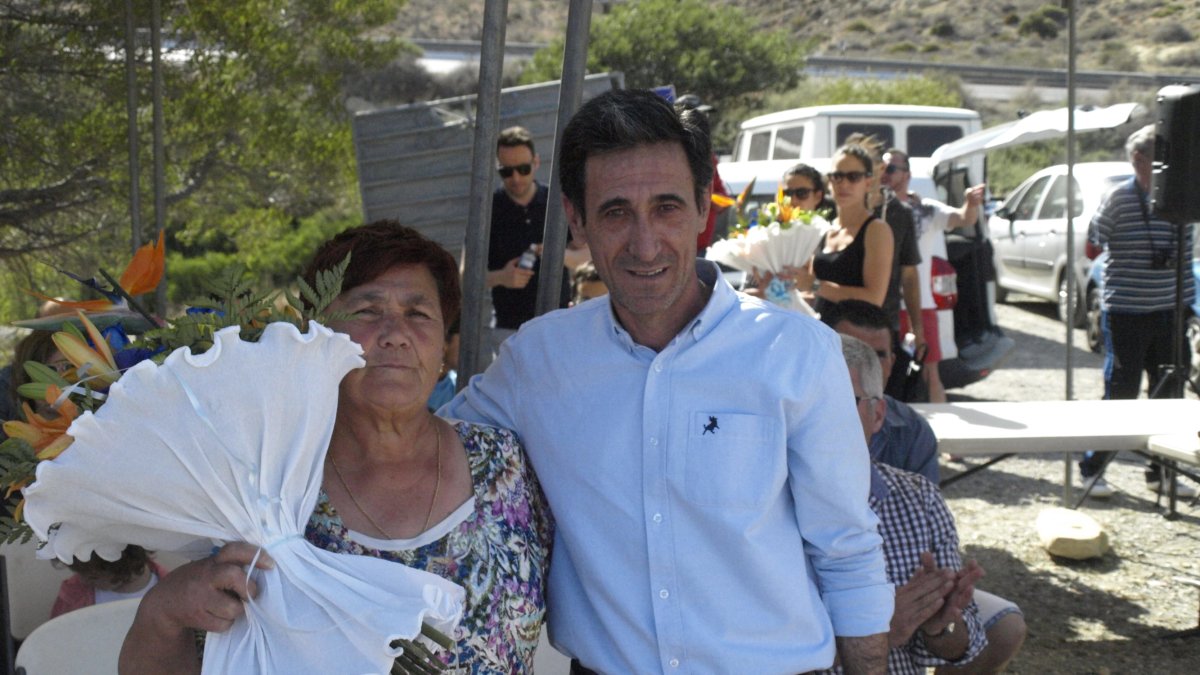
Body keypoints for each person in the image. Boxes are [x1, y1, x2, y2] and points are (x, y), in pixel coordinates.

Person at [444, 89, 891, 674]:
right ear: (576, 219)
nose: (646, 242)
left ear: (704, 209)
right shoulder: (539, 361)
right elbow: (418, 445)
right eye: (615, 212)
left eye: (666, 207)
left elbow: (846, 549)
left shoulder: (796, 353)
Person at [120, 222, 553, 673]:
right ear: (317, 332)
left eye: (418, 314)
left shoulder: (506, 463)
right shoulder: (265, 490)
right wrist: (163, 612)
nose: (395, 333)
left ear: (444, 343)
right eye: (367, 310)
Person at [837, 334, 1026, 675]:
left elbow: (960, 648)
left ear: (877, 414)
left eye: (841, 401)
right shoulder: (761, 508)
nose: (821, 417)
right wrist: (873, 634)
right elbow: (754, 652)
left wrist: (940, 625)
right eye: (809, 401)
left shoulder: (917, 498)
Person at [1079, 124, 1198, 499]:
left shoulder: (1179, 200)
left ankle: (1161, 472)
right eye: (1152, 160)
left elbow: (1188, 253)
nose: (1160, 168)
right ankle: (1092, 468)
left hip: (1169, 310)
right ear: (1136, 160)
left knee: (1170, 390)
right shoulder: (1118, 197)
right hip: (1127, 310)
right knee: (1122, 390)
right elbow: (1093, 241)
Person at [881, 148, 986, 403]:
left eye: (891, 169)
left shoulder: (924, 209)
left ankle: (943, 436)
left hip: (921, 305)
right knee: (883, 373)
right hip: (883, 303)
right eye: (881, 168)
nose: (884, 174)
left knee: (930, 372)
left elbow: (962, 218)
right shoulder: (875, 208)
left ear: (907, 174)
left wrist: (970, 204)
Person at [486, 126, 590, 357]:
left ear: (536, 162)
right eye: (506, 171)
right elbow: (467, 277)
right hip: (510, 329)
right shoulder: (488, 210)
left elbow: (590, 255)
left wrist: (560, 255)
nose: (516, 178)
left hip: (561, 322)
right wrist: (502, 277)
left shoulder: (557, 201)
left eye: (523, 169)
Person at [827, 300, 939, 484]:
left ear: (892, 363)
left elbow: (922, 505)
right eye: (852, 353)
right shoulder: (791, 422)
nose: (867, 365)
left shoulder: (912, 430)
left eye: (878, 355)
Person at [795, 142, 895, 319]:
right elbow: (813, 295)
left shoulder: (876, 230)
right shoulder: (824, 230)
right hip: (822, 335)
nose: (844, 184)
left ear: (868, 182)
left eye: (853, 177)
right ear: (829, 182)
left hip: (858, 339)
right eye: (837, 176)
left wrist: (815, 285)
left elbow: (874, 299)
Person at [52, 545, 169, 618]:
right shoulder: (73, 595)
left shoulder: (172, 593)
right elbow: (57, 640)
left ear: (124, 568)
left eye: (94, 577)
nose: (83, 581)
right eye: (79, 573)